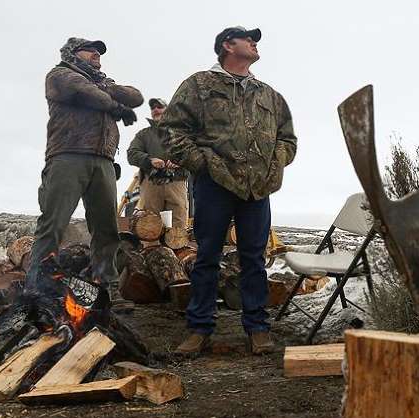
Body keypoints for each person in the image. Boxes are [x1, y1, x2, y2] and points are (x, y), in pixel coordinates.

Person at [161, 26, 297, 355]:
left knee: (254, 259)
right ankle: (199, 329)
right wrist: (202, 164)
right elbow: (172, 130)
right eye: (247, 38)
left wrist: (274, 165)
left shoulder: (269, 95)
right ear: (227, 45)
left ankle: (258, 328)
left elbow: (288, 139)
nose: (254, 43)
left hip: (257, 189)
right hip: (214, 185)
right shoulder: (199, 85)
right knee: (207, 256)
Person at [26, 37, 143, 310]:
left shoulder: (102, 83)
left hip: (103, 161)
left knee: (106, 227)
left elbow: (136, 96)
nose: (96, 54)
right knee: (53, 223)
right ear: (72, 53)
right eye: (89, 50)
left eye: (98, 51)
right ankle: (36, 290)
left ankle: (106, 287)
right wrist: (114, 105)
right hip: (68, 155)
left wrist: (108, 88)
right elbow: (82, 91)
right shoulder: (60, 75)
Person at [127, 98, 189, 227]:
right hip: (151, 184)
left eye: (159, 107)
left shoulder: (182, 133)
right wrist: (149, 160)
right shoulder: (143, 135)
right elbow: (132, 154)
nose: (155, 110)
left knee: (178, 226)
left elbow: (192, 152)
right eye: (153, 108)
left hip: (176, 183)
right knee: (150, 227)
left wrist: (180, 161)